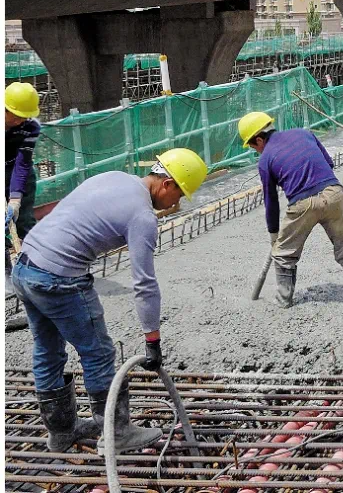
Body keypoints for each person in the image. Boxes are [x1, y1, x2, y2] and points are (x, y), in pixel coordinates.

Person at [11, 149, 208, 455]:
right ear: (167, 183)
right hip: (59, 278)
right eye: (180, 195)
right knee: (99, 352)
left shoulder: (114, 177)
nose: (176, 205)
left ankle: (61, 432)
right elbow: (144, 284)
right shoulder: (142, 215)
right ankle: (116, 433)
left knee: (47, 350)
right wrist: (152, 339)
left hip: (25, 267)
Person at [239, 112, 343, 308]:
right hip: (334, 193)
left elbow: (271, 201)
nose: (256, 151)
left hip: (302, 205)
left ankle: (284, 301)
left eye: (253, 147)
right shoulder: (304, 133)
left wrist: (274, 235)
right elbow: (329, 163)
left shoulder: (265, 160)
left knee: (284, 255)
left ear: (259, 139)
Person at [6, 83, 41, 265]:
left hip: (17, 170)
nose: (20, 121)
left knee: (24, 221)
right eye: (17, 116)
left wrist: (15, 198)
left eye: (24, 117)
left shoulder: (31, 127)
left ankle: (35, 265)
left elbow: (23, 162)